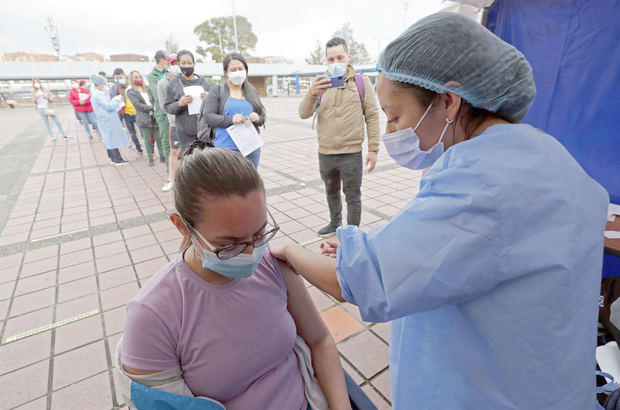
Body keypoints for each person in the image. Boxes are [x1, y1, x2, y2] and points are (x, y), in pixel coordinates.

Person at [272, 12, 609, 410]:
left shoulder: (478, 181)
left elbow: (367, 283)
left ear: (447, 101)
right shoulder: (544, 155)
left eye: (395, 116)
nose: (392, 132)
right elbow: (473, 245)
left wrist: (291, 253)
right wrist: (370, 243)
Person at [120, 144, 351, 410]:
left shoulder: (273, 264)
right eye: (230, 244)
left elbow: (320, 341)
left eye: (260, 233)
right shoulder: (154, 315)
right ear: (181, 226)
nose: (252, 252)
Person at [299, 37, 380, 236]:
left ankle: (352, 232)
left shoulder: (362, 83)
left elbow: (372, 115)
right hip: (325, 152)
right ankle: (335, 223)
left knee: (353, 195)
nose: (335, 63)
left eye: (340, 57)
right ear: (326, 60)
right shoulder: (319, 84)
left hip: (351, 153)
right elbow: (303, 113)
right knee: (331, 191)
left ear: (348, 57)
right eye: (331, 59)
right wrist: (311, 92)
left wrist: (373, 149)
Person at [202, 52, 266, 168]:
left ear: (246, 70)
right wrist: (231, 119)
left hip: (251, 148)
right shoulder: (218, 90)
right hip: (226, 150)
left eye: (240, 68)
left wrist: (257, 118)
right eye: (233, 69)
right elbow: (208, 116)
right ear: (226, 72)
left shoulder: (252, 91)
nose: (237, 72)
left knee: (250, 185)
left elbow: (262, 118)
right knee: (228, 185)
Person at [164, 49, 210, 153]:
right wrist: (179, 103)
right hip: (185, 131)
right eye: (183, 63)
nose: (187, 66)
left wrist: (210, 98)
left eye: (189, 63)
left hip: (204, 130)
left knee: (206, 159)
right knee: (189, 159)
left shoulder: (204, 82)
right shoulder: (174, 83)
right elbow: (167, 107)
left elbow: (215, 104)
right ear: (178, 64)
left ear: (194, 63)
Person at [90, 74, 129, 165]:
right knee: (111, 139)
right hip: (107, 119)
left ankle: (112, 158)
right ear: (98, 83)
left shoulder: (96, 93)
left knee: (108, 138)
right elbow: (108, 105)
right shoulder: (98, 94)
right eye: (103, 83)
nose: (104, 85)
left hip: (104, 119)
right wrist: (118, 99)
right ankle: (117, 159)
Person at [127, 71, 164, 167]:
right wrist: (152, 108)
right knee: (147, 139)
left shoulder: (148, 88)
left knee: (158, 138)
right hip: (143, 118)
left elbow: (155, 99)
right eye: (135, 77)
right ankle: (150, 158)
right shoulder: (131, 92)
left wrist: (155, 107)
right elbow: (137, 105)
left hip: (154, 117)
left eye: (139, 76)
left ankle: (162, 156)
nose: (138, 78)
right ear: (132, 79)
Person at [157, 54, 181, 192]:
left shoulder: (184, 79)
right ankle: (171, 178)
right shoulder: (163, 83)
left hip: (189, 122)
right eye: (174, 63)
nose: (177, 65)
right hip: (174, 122)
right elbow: (162, 104)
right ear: (168, 65)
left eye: (179, 62)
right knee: (174, 151)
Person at [147, 50, 171, 171]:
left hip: (174, 108)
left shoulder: (170, 71)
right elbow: (158, 93)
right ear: (162, 59)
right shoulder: (151, 76)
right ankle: (168, 164)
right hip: (162, 111)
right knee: (166, 139)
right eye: (167, 58)